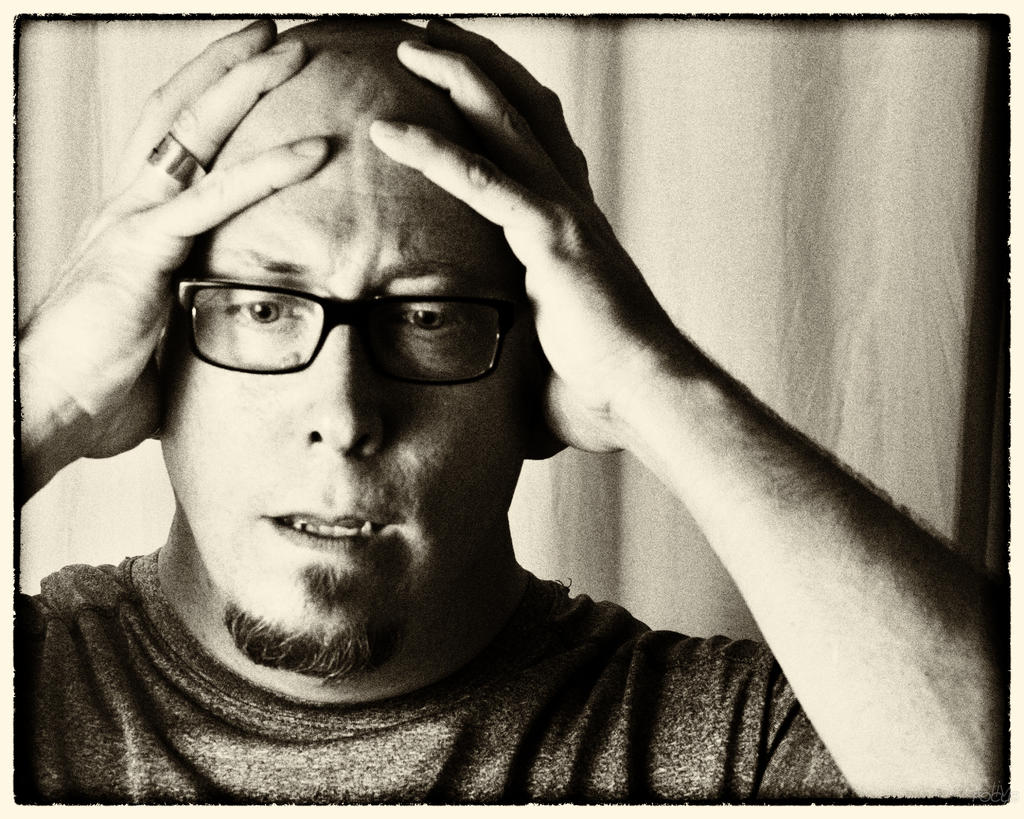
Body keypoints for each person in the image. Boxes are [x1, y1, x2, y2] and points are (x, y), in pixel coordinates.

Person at [14, 18, 1005, 804]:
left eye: (428, 316)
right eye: (264, 308)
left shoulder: (714, 747)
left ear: (539, 378)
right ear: (154, 352)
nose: (344, 414)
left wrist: (647, 379)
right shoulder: (35, 683)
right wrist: (42, 399)